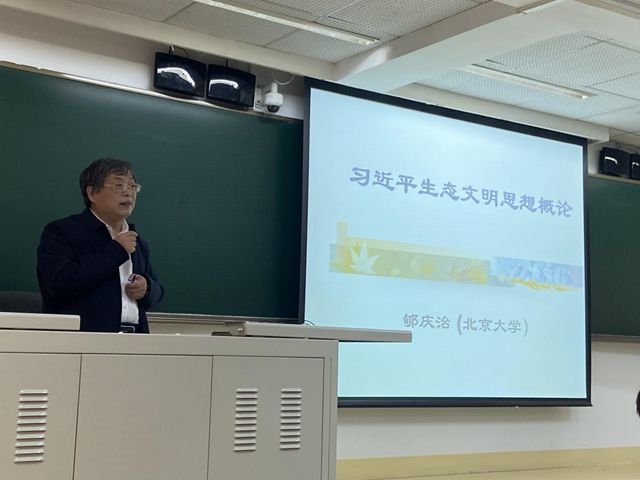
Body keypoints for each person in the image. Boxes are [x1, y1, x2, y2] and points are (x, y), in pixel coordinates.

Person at [37, 158, 164, 333]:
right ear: (92, 193)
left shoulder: (137, 241)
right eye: (119, 185)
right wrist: (116, 250)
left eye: (132, 186)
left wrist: (147, 288)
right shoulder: (62, 232)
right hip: (83, 339)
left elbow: (158, 294)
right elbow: (59, 285)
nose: (128, 192)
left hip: (135, 338)